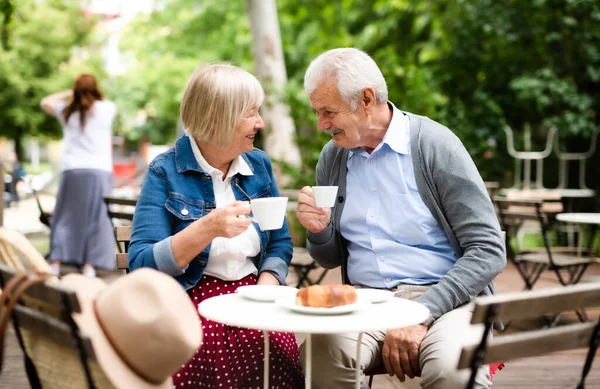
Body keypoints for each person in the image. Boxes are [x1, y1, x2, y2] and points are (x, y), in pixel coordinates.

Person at [296, 48, 506, 389]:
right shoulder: (332, 158)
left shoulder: (436, 146)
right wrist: (320, 231)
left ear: (366, 99)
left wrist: (420, 314)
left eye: (328, 112)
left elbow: (488, 249)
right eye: (317, 112)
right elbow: (329, 256)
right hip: (365, 302)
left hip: (445, 301)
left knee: (454, 372)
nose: (321, 124)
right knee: (317, 360)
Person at [128, 63, 304, 389]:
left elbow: (279, 242)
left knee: (274, 354)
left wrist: (266, 289)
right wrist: (207, 228)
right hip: (191, 299)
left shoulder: (259, 165)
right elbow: (140, 264)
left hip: (254, 295)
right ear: (215, 115)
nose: (260, 123)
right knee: (203, 354)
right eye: (251, 113)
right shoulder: (165, 171)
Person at [40, 74, 117, 278]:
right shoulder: (107, 108)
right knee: (96, 217)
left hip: (72, 170)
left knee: (65, 217)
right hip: (98, 171)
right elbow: (101, 101)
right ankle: (89, 265)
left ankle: (56, 261)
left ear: (75, 90)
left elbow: (45, 102)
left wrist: (67, 94)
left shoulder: (67, 111)